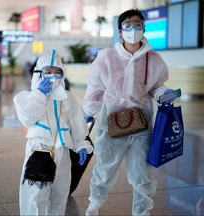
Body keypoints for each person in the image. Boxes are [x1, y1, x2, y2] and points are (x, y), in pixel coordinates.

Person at [83, 9, 177, 216]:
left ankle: (142, 212)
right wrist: (89, 110)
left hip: (141, 122)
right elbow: (95, 87)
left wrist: (164, 93)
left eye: (138, 24)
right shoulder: (106, 57)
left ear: (143, 28)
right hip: (111, 121)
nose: (133, 29)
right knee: (105, 166)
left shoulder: (153, 59)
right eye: (128, 25)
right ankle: (95, 204)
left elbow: (157, 86)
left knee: (142, 172)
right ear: (120, 30)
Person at [13, 50, 93, 215]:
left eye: (57, 72)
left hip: (62, 152)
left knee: (60, 195)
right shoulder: (27, 97)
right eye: (48, 72)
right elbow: (28, 118)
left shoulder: (68, 98)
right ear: (38, 73)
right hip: (39, 150)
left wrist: (81, 144)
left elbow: (76, 123)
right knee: (36, 197)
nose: (53, 76)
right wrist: (39, 95)